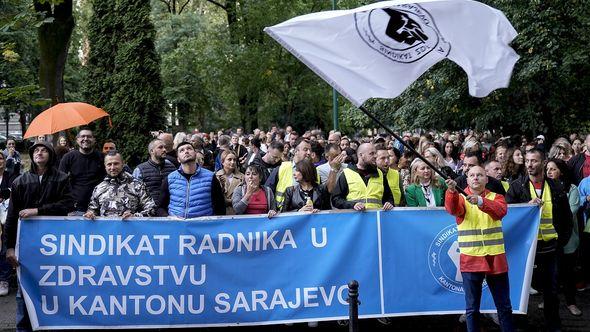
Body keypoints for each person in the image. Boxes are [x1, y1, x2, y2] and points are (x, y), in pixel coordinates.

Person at [4, 141, 74, 331]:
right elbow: (11, 217)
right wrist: (9, 248)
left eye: (44, 150)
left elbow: (68, 204)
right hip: (27, 246)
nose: (39, 153)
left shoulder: (62, 178)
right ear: (32, 155)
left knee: (55, 288)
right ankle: (23, 328)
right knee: (24, 290)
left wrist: (38, 210)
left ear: (50, 155)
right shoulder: (20, 181)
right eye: (36, 150)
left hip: (55, 244)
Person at [506, 148, 573, 332]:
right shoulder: (517, 186)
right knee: (522, 288)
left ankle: (553, 325)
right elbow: (507, 213)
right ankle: (520, 324)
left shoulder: (556, 187)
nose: (529, 164)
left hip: (551, 247)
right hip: (526, 248)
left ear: (543, 163)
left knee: (551, 291)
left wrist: (561, 242)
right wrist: (524, 207)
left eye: (534, 161)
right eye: (527, 160)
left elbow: (567, 218)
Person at [445, 166, 513, 332]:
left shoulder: (496, 197)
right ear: (467, 179)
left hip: (495, 258)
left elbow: (500, 211)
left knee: (504, 306)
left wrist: (481, 201)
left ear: (486, 179)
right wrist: (452, 192)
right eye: (472, 175)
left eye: (480, 175)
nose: (476, 178)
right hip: (471, 259)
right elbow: (452, 209)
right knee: (472, 308)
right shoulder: (460, 198)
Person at [546, 158, 582, 316]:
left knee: (568, 273)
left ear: (561, 171)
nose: (549, 172)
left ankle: (571, 302)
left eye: (553, 169)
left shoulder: (572, 188)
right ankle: (548, 300)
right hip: (549, 238)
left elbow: (572, 210)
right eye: (547, 169)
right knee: (551, 273)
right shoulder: (544, 188)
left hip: (567, 239)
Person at [157, 142, 225, 218]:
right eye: (181, 150)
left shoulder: (210, 177)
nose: (186, 151)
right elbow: (160, 207)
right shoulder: (170, 178)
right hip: (176, 226)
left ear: (195, 154)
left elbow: (220, 206)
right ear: (178, 159)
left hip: (203, 226)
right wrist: (167, 217)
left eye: (189, 148)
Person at [84, 152, 156, 219]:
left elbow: (151, 208)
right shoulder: (99, 188)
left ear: (123, 164)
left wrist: (135, 217)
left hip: (131, 231)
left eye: (116, 164)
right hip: (106, 231)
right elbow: (92, 210)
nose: (112, 168)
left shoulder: (137, 185)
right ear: (105, 166)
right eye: (109, 164)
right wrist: (90, 214)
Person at [331, 143, 394, 211]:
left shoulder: (380, 174)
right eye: (371, 153)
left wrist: (389, 203)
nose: (375, 156)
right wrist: (352, 205)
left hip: (375, 219)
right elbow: (336, 199)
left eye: (375, 153)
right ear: (361, 155)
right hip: (355, 220)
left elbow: (389, 197)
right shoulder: (347, 173)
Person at [59, 128, 106, 213]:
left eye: (89, 136)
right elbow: (60, 181)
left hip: (99, 205)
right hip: (76, 207)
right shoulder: (68, 157)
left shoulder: (102, 157)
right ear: (77, 140)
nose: (85, 139)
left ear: (94, 140)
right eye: (82, 136)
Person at [266, 138, 313, 208]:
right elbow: (267, 191)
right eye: (305, 150)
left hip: (309, 215)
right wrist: (273, 209)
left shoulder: (315, 171)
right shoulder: (281, 168)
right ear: (295, 151)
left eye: (310, 150)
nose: (309, 153)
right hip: (283, 215)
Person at [133, 139, 176, 204]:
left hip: (170, 208)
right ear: (152, 151)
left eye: (164, 147)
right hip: (150, 209)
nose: (164, 150)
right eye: (160, 147)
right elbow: (135, 193)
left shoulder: (171, 166)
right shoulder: (140, 170)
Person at [0, 152, 17, 296]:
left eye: (0, 158)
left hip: (6, 217)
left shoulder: (11, 175)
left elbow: (12, 191)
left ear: (5, 161)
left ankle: (4, 279)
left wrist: (4, 193)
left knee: (4, 247)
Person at [215, 150, 244, 215]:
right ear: (222, 162)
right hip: (220, 213)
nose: (233, 162)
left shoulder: (242, 177)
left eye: (234, 160)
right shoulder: (216, 176)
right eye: (229, 159)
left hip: (236, 213)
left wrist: (231, 201)